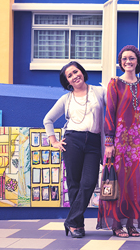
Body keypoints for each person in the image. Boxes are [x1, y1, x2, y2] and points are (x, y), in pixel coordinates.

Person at [43, 61, 106, 238]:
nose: (74, 76)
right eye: (69, 76)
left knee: (89, 182)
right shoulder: (66, 99)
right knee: (74, 184)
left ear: (82, 72)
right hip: (72, 141)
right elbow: (47, 120)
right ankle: (77, 225)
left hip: (93, 141)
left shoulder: (100, 92)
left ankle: (70, 220)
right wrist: (53, 141)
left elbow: (115, 105)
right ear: (68, 82)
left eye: (75, 71)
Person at [96, 45, 140, 238]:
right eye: (124, 59)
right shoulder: (114, 84)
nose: (128, 62)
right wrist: (109, 142)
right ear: (120, 62)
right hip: (118, 141)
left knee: (134, 183)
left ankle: (131, 223)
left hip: (136, 143)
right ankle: (116, 224)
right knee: (118, 181)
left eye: (132, 58)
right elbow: (109, 113)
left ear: (138, 61)